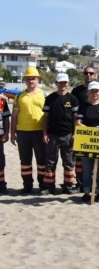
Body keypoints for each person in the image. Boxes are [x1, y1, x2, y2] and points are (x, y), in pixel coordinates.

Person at [11, 65, 48, 194]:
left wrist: (46, 132)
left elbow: (48, 116)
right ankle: (27, 185)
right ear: (25, 80)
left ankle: (43, 185)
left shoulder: (44, 95)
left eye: (33, 78)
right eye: (28, 79)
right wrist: (12, 134)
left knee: (41, 160)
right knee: (25, 161)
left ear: (38, 79)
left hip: (39, 132)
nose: (30, 81)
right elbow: (14, 116)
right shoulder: (19, 96)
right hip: (22, 132)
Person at [42, 73, 79, 195]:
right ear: (56, 83)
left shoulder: (72, 99)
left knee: (69, 162)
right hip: (52, 135)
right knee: (50, 162)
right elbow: (45, 117)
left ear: (68, 83)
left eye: (65, 82)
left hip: (68, 135)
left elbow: (75, 118)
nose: (63, 85)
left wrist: (75, 133)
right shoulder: (50, 98)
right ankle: (49, 186)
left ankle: (68, 186)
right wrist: (45, 133)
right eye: (60, 82)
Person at [76, 82, 99, 202]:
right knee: (87, 169)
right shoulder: (83, 106)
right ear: (88, 92)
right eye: (92, 91)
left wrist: (98, 129)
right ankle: (87, 191)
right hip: (85, 140)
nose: (94, 93)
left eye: (97, 91)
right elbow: (78, 122)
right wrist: (87, 129)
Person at [71, 66, 99, 191]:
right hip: (81, 130)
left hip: (96, 133)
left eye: (91, 73)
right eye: (86, 73)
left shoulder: (98, 90)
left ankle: (92, 185)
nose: (88, 75)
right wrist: (74, 132)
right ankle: (79, 183)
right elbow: (72, 114)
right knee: (79, 160)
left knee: (94, 161)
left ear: (95, 75)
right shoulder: (76, 91)